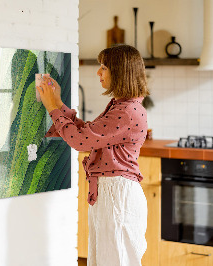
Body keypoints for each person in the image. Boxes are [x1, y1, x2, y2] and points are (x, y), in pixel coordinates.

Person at [37, 44, 149, 266]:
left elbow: (80, 141)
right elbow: (88, 133)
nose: (98, 72)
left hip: (117, 195)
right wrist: (58, 103)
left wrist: (52, 108)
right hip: (112, 193)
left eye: (104, 67)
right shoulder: (122, 106)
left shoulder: (126, 111)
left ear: (120, 72)